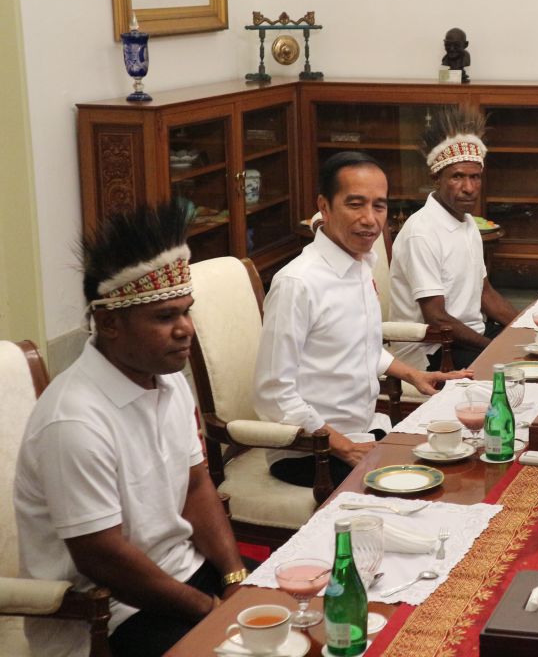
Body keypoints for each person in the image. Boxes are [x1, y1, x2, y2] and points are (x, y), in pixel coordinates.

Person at [14, 202, 249, 657]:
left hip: (183, 575)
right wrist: (209, 610)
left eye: (187, 311)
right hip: (106, 614)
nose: (185, 330)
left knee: (302, 611)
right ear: (109, 323)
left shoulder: (169, 382)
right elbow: (104, 559)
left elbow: (197, 487)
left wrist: (235, 577)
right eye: (165, 317)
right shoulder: (74, 420)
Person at [255, 151, 469, 488]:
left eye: (379, 206)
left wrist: (415, 375)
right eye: (355, 204)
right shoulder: (298, 283)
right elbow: (273, 393)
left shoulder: (359, 264)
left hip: (363, 431)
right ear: (324, 207)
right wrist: (342, 446)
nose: (370, 219)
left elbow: (359, 344)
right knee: (431, 486)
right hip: (310, 451)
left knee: (459, 454)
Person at [390, 107, 517, 370]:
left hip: (468, 336)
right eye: (458, 176)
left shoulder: (467, 222)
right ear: (436, 177)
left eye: (475, 177)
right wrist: (493, 348)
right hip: (434, 349)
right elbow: (436, 318)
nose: (469, 188)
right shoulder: (421, 233)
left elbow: (486, 294)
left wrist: (526, 327)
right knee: (517, 372)